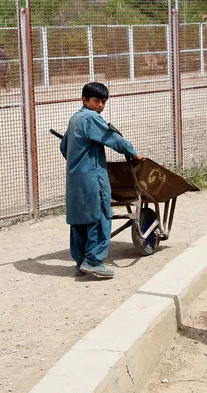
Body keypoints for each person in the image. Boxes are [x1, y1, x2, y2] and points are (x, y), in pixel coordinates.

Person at [60, 82, 142, 278]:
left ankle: (80, 262)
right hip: (92, 178)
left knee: (80, 221)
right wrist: (133, 153)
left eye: (103, 102)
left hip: (75, 179)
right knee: (100, 217)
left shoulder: (75, 119)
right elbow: (112, 138)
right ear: (84, 99)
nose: (100, 106)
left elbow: (64, 147)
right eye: (96, 101)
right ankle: (94, 262)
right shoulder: (91, 118)